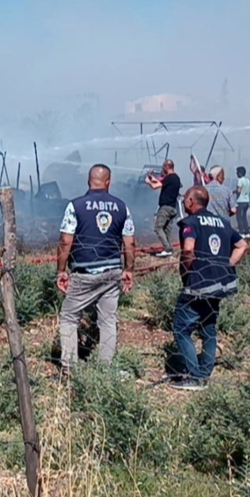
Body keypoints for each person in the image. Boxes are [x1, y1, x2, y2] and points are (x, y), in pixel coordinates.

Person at [55, 164, 135, 374]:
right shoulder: (121, 207)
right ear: (108, 182)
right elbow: (130, 243)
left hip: (84, 273)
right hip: (112, 271)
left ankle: (69, 367)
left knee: (70, 317)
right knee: (108, 321)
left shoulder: (76, 205)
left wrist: (61, 270)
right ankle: (105, 369)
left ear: (88, 181)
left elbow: (65, 240)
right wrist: (129, 269)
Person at [170, 186, 248, 390]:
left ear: (191, 202)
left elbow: (188, 248)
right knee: (208, 329)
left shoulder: (190, 222)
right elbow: (242, 245)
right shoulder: (223, 222)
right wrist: (227, 265)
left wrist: (187, 272)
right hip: (220, 284)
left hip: (198, 284)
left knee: (181, 329)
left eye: (186, 198)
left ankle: (194, 378)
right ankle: (205, 373)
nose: (185, 202)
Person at [145, 159, 181, 258]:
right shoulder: (176, 178)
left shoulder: (170, 177)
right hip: (172, 208)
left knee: (158, 228)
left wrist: (148, 182)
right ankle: (169, 250)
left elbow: (155, 186)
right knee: (166, 230)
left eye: (163, 167)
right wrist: (151, 177)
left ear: (166, 167)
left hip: (165, 208)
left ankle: (167, 248)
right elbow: (160, 181)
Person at [234, 166, 250, 235]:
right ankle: (247, 232)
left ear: (240, 173)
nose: (236, 174)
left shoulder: (240, 180)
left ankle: (241, 232)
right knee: (244, 217)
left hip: (240, 201)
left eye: (237, 172)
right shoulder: (248, 180)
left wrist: (234, 192)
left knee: (239, 217)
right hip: (247, 201)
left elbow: (239, 191)